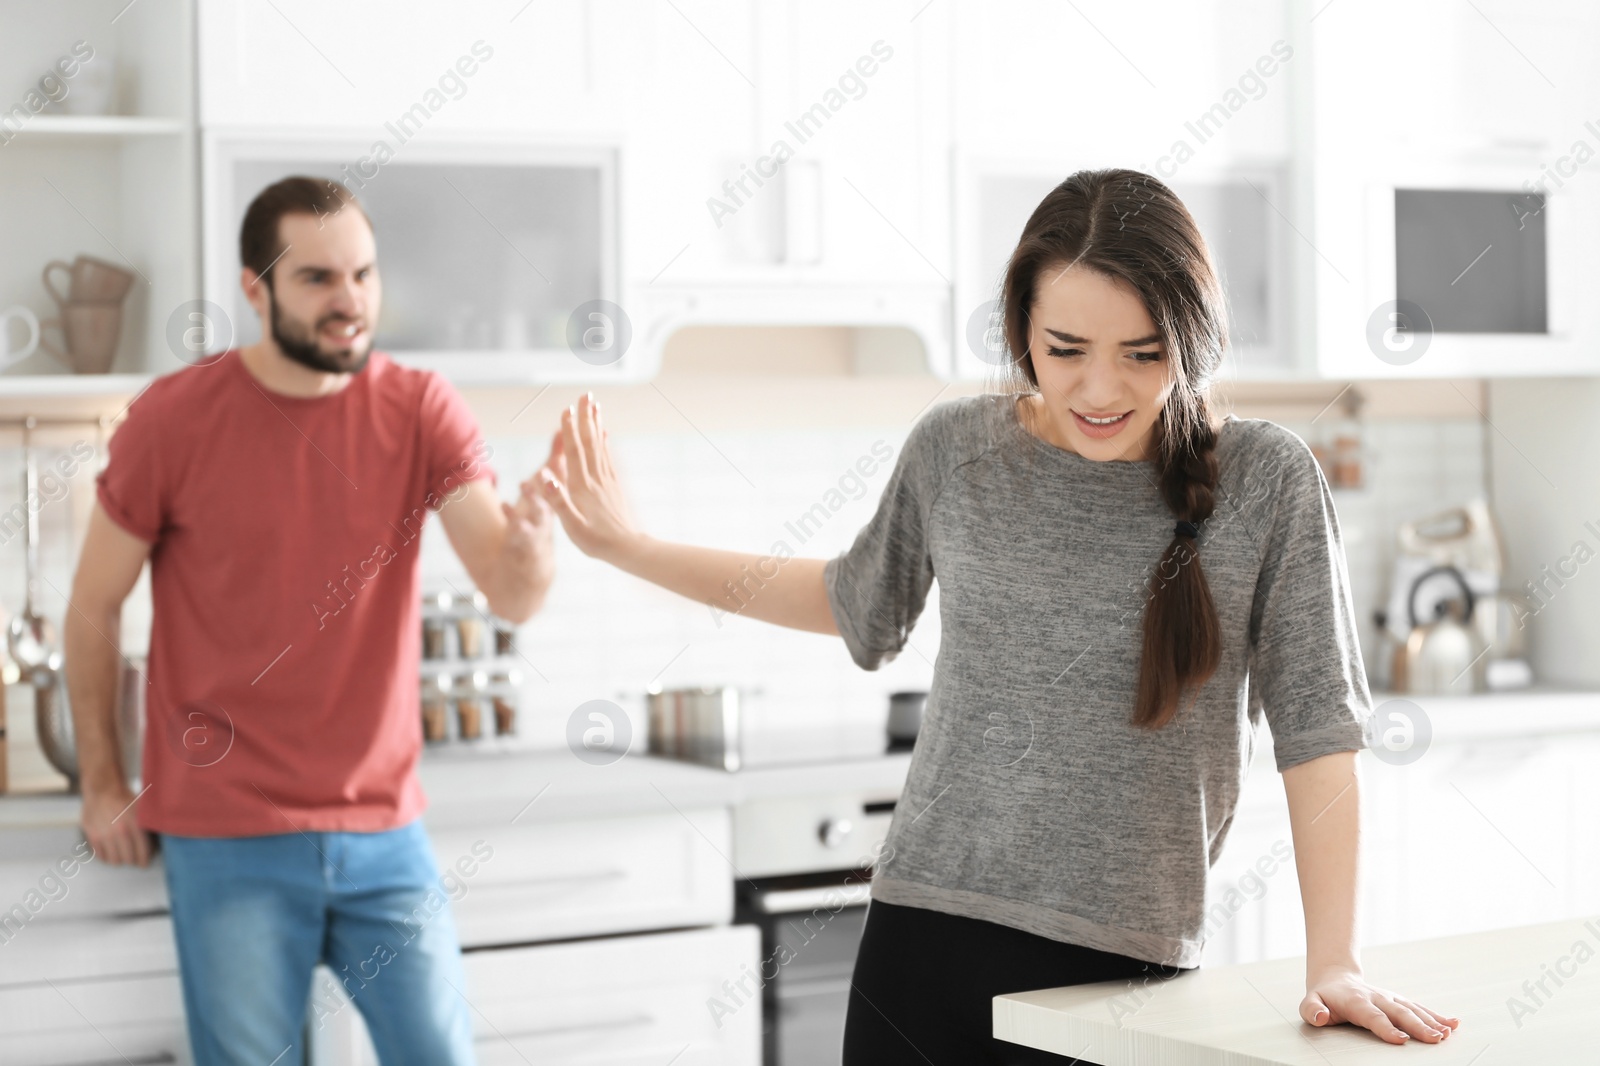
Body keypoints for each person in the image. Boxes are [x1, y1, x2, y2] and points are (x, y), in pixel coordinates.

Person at [533, 168, 1461, 1062]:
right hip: (919, 943)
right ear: (1021, 331)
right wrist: (630, 547)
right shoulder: (958, 450)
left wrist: (1334, 959)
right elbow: (852, 601)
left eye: (1143, 354)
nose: (1100, 390)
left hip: (1123, 971)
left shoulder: (1268, 481)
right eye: (1066, 351)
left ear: (1195, 342)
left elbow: (1318, 733)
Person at [67, 176, 558, 1065]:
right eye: (320, 280)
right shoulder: (171, 421)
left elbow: (510, 592)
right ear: (255, 289)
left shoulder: (421, 408)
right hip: (226, 836)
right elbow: (92, 605)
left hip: (384, 834)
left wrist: (532, 549)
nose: (351, 303)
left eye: (364, 275)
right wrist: (102, 782)